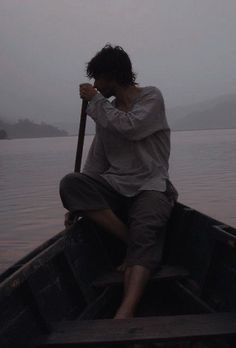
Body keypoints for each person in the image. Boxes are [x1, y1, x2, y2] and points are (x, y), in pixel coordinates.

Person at [59, 44, 178, 319]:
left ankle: (124, 312)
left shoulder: (151, 97)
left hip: (151, 185)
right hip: (116, 186)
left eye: (98, 78)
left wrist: (95, 103)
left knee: (146, 228)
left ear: (112, 75)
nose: (95, 85)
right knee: (71, 183)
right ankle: (130, 240)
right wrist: (76, 204)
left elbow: (132, 126)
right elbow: (96, 164)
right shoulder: (106, 112)